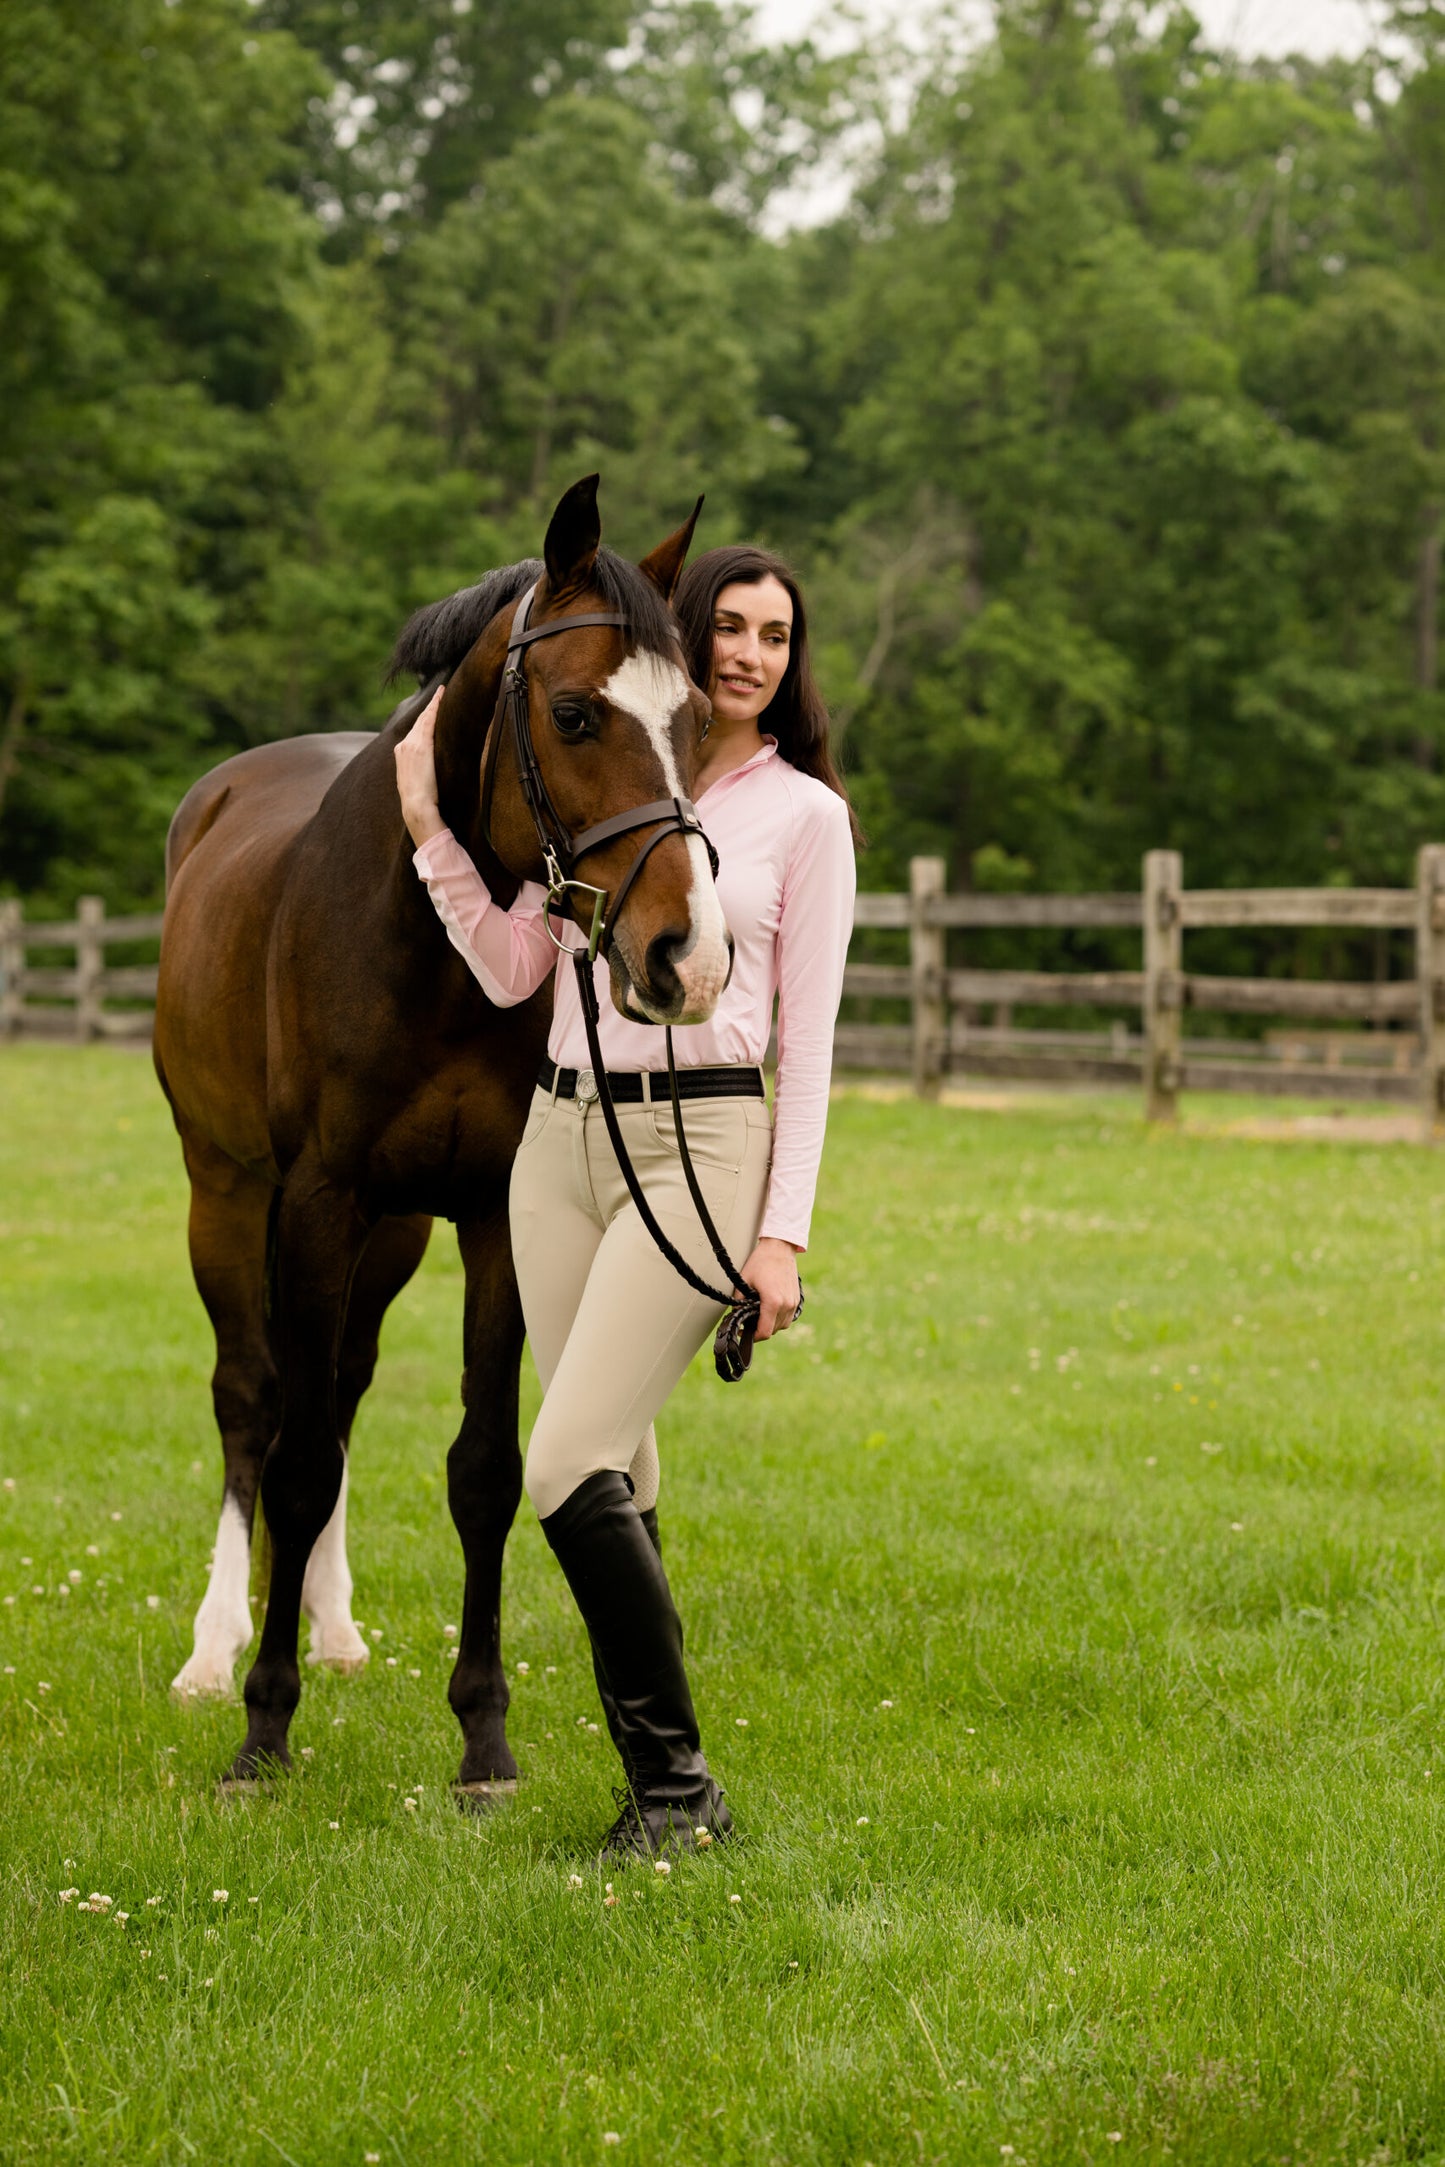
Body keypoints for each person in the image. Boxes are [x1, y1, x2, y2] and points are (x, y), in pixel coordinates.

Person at [394, 544, 859, 1858]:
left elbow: (808, 1044)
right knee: (624, 1463)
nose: (748, 653)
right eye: (728, 625)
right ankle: (655, 1788)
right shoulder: (604, 776)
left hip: (701, 1146)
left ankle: (676, 1796)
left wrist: (782, 1235)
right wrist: (437, 839)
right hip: (556, 1137)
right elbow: (510, 973)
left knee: (562, 1460)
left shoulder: (803, 820)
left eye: (775, 636)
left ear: (789, 662)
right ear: (677, 635)